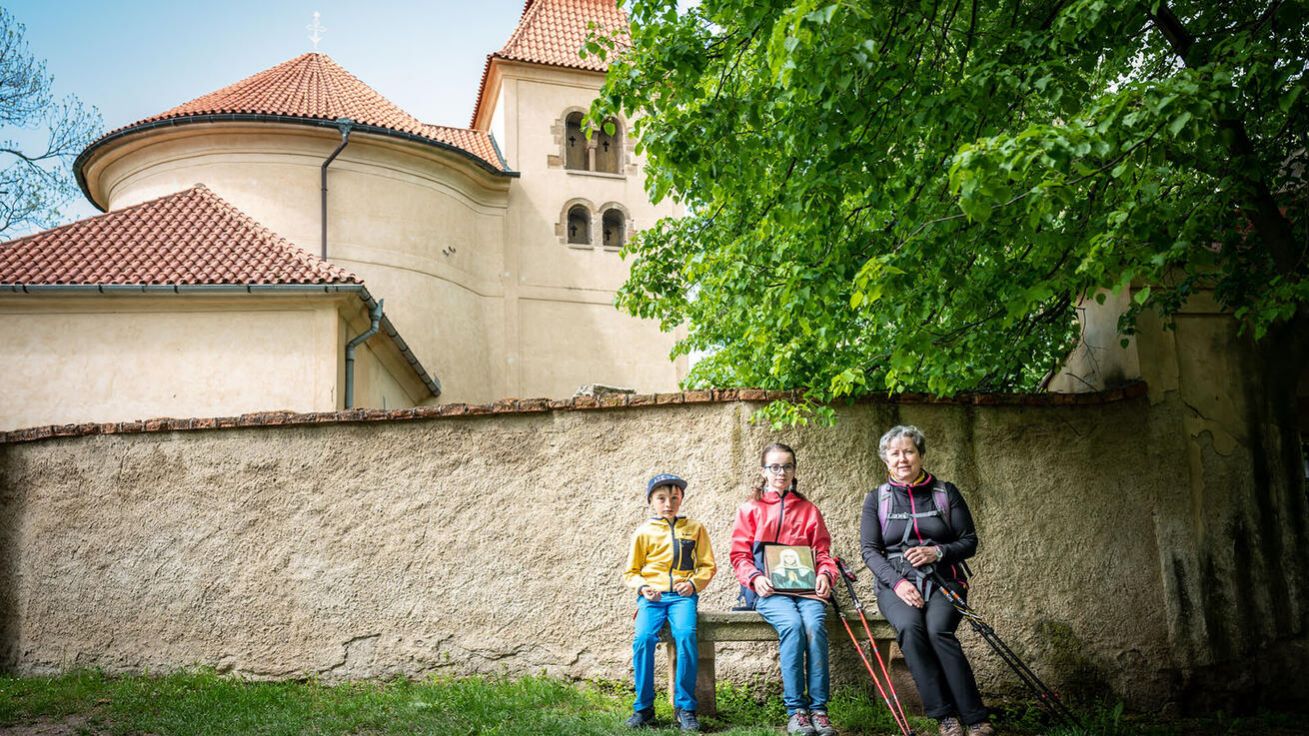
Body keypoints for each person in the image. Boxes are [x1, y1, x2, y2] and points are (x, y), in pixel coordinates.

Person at [860, 425, 994, 736]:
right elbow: (870, 550)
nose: (902, 458)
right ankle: (944, 715)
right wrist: (898, 584)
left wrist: (938, 552)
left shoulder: (946, 493)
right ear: (886, 460)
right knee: (910, 628)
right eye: (894, 454)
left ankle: (975, 717)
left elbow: (969, 541)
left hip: (943, 580)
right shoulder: (876, 499)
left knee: (938, 631)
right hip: (897, 584)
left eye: (908, 451)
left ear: (920, 455)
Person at [730, 443, 840, 736]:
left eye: (787, 466)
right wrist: (754, 578)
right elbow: (739, 556)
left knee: (814, 625)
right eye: (774, 467)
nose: (781, 472)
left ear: (794, 470)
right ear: (763, 471)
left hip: (807, 590)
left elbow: (823, 552)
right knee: (792, 625)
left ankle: (819, 710)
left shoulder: (809, 510)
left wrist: (826, 575)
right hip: (769, 592)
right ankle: (797, 712)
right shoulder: (750, 510)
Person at [623, 473, 716, 731]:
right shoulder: (643, 532)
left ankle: (685, 707)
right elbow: (631, 572)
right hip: (653, 599)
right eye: (661, 498)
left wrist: (694, 584)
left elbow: (707, 565)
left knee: (686, 635)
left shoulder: (695, 528)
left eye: (674, 498)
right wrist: (643, 587)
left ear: (682, 499)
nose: (668, 503)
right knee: (643, 640)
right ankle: (644, 708)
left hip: (682, 598)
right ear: (651, 501)